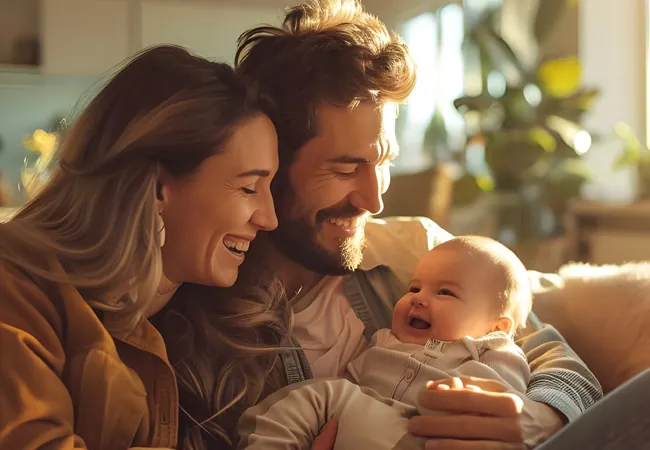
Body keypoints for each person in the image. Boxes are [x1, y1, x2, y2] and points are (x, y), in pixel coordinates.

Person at [228, 0, 603, 448]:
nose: (375, 200)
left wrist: (541, 418)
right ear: (271, 165)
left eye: (383, 161)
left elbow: (559, 360)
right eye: (346, 169)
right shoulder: (214, 312)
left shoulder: (420, 249)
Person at [0, 45, 287, 449]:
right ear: (155, 187)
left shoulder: (225, 322)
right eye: (248, 187)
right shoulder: (16, 283)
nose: (269, 217)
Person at [237, 236, 534, 449]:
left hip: (438, 433)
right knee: (315, 395)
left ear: (497, 327)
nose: (418, 297)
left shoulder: (494, 349)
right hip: (370, 424)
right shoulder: (383, 340)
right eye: (415, 287)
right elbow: (353, 380)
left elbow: (507, 403)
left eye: (445, 292)